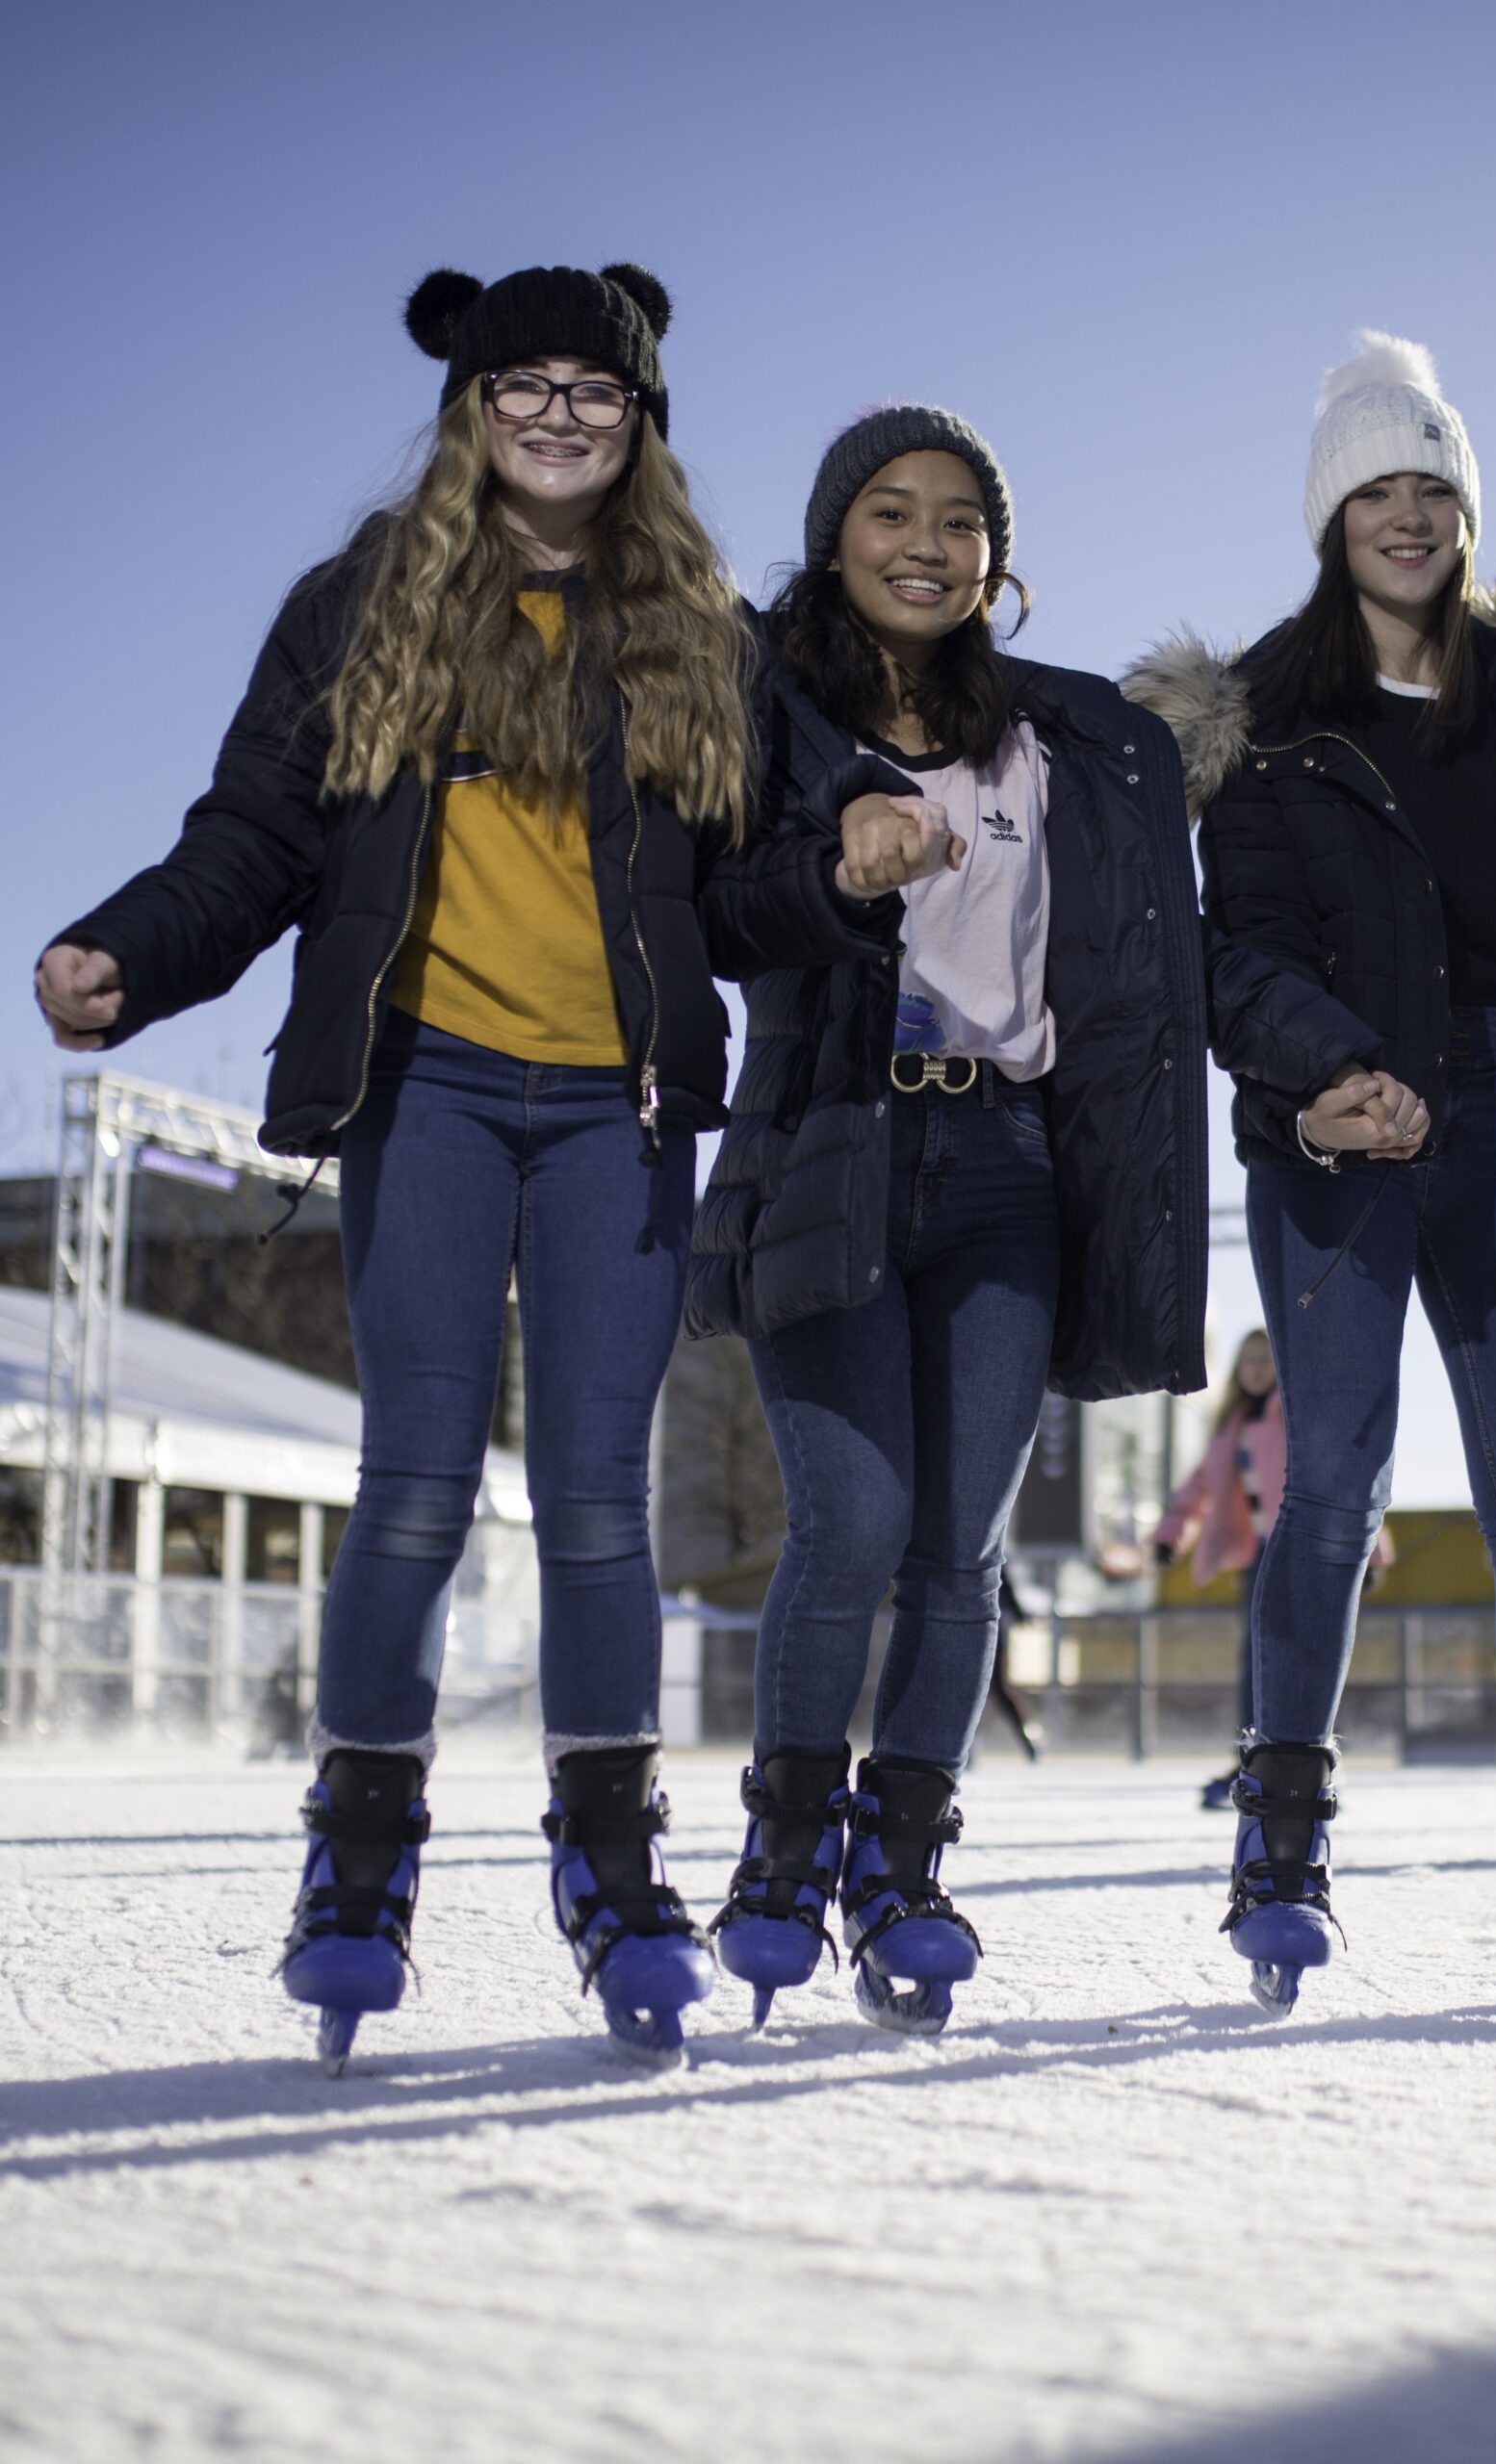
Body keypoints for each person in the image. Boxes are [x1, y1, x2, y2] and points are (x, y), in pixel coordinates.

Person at [36, 261, 944, 2070]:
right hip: (428, 1089)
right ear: (469, 409)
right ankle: (358, 1865)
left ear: (640, 421)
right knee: (417, 1487)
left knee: (599, 1498)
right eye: (519, 382)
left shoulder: (704, 636)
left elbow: (760, 869)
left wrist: (845, 857)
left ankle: (613, 1868)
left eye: (591, 389)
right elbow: (258, 836)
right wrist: (134, 951)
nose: (556, 412)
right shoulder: (362, 603)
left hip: (614, 1106)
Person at [1127, 331, 1496, 2011]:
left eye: (1433, 489)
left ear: (1467, 510)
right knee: (1333, 1488)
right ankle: (1284, 1837)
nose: (1407, 517)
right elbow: (1230, 951)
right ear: (1332, 519)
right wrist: (1330, 1075)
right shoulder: (1264, 718)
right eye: (1376, 490)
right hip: (1340, 1133)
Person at [686, 404, 1209, 2032]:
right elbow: (719, 913)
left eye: (961, 519)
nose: (927, 541)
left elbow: (1140, 958)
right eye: (891, 510)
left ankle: (903, 1860)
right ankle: (783, 1848)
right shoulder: (764, 717)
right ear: (836, 533)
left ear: (997, 557)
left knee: (960, 1548)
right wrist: (841, 874)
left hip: (1006, 1167)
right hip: (828, 1146)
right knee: (845, 1522)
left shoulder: (1060, 741)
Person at [1153, 1329, 1280, 1803]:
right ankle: (1250, 1758)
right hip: (1258, 1555)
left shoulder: (1295, 1418)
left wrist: (1370, 1553)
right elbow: (1197, 1489)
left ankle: (1303, 1760)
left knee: (1301, 1657)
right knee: (1255, 1659)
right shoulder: (1230, 1426)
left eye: (1264, 1359)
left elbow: (1345, 1486)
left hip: (1299, 1550)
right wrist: (1170, 1536)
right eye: (1247, 1359)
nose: (1254, 1369)